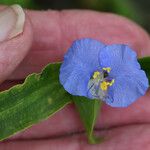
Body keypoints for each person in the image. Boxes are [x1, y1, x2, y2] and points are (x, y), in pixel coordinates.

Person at [0, 4, 150, 150]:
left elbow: (136, 80)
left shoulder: (123, 72)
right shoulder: (81, 58)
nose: (102, 83)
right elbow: (74, 62)